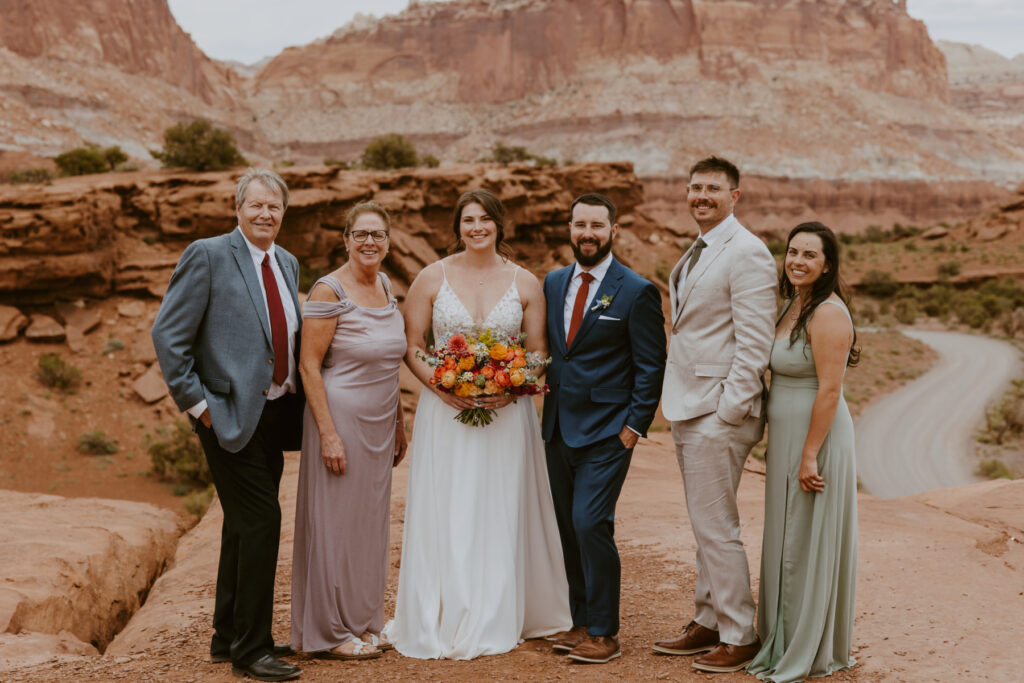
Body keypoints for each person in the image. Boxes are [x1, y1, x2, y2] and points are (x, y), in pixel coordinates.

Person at [386, 188, 572, 659]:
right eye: (468, 220)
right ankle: (444, 609)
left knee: (500, 502)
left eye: (485, 219)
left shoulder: (525, 282)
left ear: (498, 225)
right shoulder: (432, 277)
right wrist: (444, 386)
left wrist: (513, 387)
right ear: (457, 227)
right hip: (444, 413)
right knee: (449, 504)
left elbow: (539, 353)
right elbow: (412, 345)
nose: (476, 228)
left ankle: (500, 608)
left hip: (508, 416)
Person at [152, 168, 303, 682]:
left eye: (274, 207)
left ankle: (227, 635)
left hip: (275, 415)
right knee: (262, 521)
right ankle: (252, 650)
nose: (266, 214)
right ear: (238, 208)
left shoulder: (287, 262)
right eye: (256, 205)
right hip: (226, 415)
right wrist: (200, 407)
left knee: (243, 525)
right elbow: (169, 335)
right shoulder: (209, 254)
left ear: (284, 213)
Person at [654, 156, 776, 673]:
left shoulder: (746, 251)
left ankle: (739, 632)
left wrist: (730, 408)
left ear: (735, 195)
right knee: (704, 523)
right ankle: (708, 620)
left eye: (713, 189)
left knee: (717, 526)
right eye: (695, 187)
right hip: (689, 403)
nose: (701, 196)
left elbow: (755, 341)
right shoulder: (700, 247)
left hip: (718, 410)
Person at [541, 193, 667, 664]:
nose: (587, 233)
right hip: (556, 428)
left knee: (591, 523)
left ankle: (605, 632)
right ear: (569, 229)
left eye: (597, 225)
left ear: (613, 230)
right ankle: (579, 621)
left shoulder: (635, 290)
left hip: (608, 431)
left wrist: (633, 427)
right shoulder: (553, 283)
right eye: (579, 225)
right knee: (566, 528)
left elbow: (651, 365)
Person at [290, 202, 407, 661]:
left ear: (388, 241)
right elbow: (308, 365)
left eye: (377, 234)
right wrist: (328, 434)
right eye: (360, 234)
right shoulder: (327, 290)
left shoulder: (384, 284)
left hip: (380, 423)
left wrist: (399, 421)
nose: (369, 242)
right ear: (345, 239)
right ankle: (329, 630)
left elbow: (387, 364)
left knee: (368, 525)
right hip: (339, 420)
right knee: (335, 524)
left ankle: (364, 621)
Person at [747, 222, 859, 682]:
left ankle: (806, 648)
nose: (797, 261)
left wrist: (810, 454)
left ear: (827, 265)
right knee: (785, 535)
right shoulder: (795, 303)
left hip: (818, 438)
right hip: (788, 436)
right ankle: (781, 636)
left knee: (804, 539)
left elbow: (830, 390)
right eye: (792, 252)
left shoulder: (829, 313)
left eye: (809, 255)